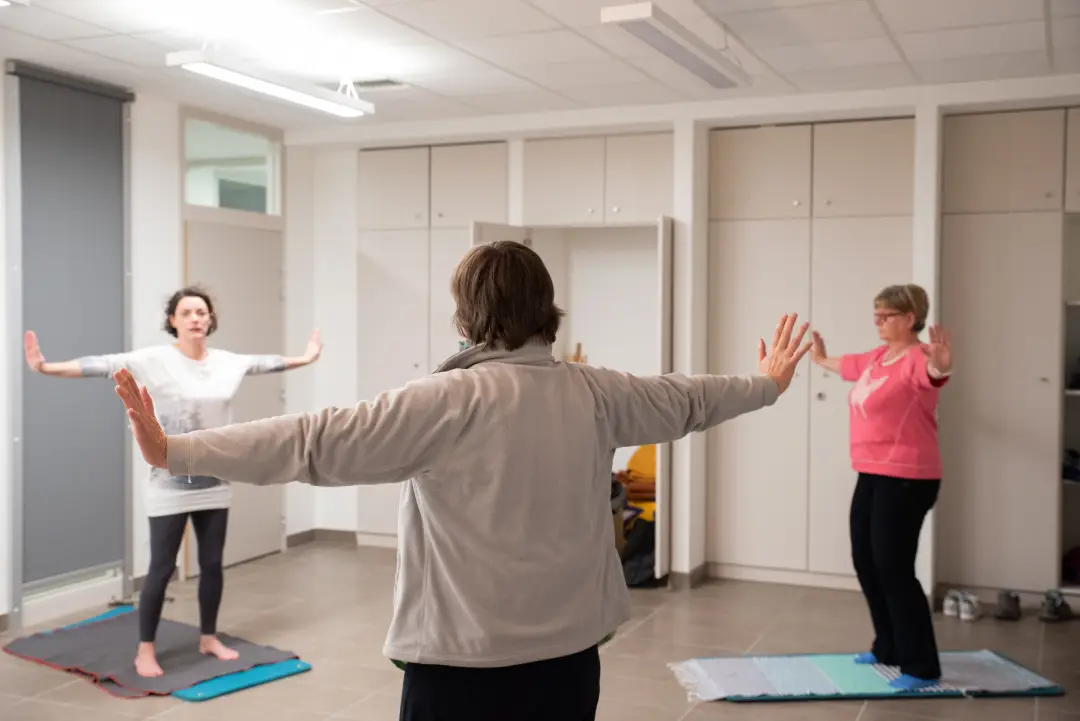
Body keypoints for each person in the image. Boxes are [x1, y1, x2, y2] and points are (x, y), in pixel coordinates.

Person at [112, 241, 811, 721]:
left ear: (466, 316)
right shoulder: (594, 393)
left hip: (461, 674)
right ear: (546, 310)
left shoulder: (444, 400)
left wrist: (176, 449)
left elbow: (310, 440)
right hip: (568, 663)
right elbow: (688, 398)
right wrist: (767, 384)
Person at [25, 286, 322, 678]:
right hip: (167, 482)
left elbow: (265, 364)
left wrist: (306, 357)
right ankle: (145, 649)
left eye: (202, 312)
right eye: (187, 313)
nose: (196, 318)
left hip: (215, 478)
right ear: (173, 321)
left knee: (212, 564)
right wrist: (46, 368)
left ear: (210, 319)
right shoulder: (153, 360)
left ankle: (209, 637)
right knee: (161, 567)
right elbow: (102, 364)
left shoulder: (227, 362)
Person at [810, 283, 952, 691]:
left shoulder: (919, 358)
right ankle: (888, 646)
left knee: (893, 567)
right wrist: (820, 358)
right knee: (865, 560)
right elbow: (847, 366)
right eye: (876, 314)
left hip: (909, 475)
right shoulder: (878, 358)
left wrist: (941, 365)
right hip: (872, 471)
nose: (877, 321)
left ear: (910, 318)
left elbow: (935, 375)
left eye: (886, 315)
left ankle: (922, 666)